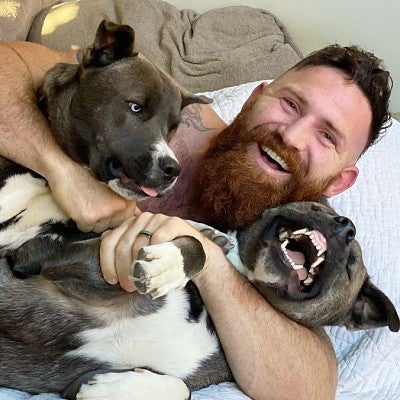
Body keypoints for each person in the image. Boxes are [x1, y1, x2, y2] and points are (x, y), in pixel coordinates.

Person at [0, 39, 392, 400]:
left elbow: (310, 386)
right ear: (254, 98)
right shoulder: (171, 112)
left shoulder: (305, 240)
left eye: (327, 136)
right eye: (290, 104)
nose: (292, 136)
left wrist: (205, 261)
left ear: (340, 181)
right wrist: (61, 171)